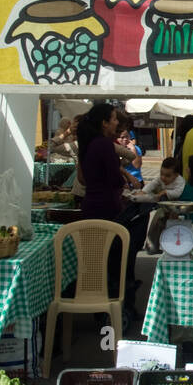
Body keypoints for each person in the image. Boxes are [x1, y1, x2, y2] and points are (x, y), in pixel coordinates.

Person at [77, 102, 147, 328]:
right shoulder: (104, 145)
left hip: (91, 207)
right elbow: (114, 179)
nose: (117, 123)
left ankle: (101, 311)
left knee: (98, 263)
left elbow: (84, 179)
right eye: (114, 119)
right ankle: (117, 311)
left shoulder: (89, 144)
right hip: (107, 210)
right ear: (104, 123)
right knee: (117, 262)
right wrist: (123, 179)